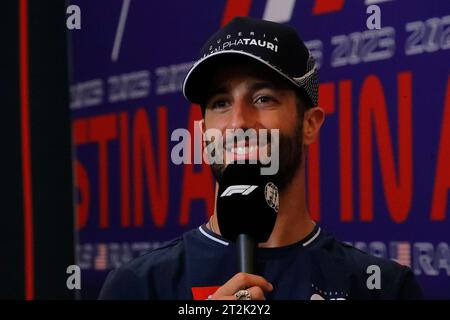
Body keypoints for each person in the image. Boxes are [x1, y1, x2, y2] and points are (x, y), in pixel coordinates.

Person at [99, 17, 423, 300]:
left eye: (263, 98)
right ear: (203, 130)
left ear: (310, 124)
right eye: (220, 103)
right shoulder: (140, 286)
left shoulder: (382, 287)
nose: (239, 121)